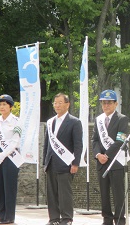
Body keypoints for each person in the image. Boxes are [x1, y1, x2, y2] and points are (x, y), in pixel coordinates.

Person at [43, 93, 83, 225]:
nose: (57, 105)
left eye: (60, 102)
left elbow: (78, 144)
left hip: (66, 163)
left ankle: (66, 219)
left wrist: (76, 163)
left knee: (65, 193)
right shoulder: (50, 122)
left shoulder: (74, 122)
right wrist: (45, 162)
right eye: (55, 102)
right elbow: (47, 144)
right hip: (51, 163)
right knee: (52, 193)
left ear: (67, 104)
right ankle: (53, 218)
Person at [92, 90, 129, 225]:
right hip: (101, 163)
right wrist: (98, 155)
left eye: (109, 103)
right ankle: (106, 219)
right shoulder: (99, 120)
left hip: (116, 162)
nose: (106, 105)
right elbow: (94, 140)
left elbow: (121, 140)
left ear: (115, 104)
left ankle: (120, 220)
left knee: (118, 194)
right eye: (103, 103)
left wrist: (106, 155)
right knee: (104, 194)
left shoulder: (122, 119)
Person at [0, 94, 23, 224]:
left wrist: (2, 155)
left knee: (9, 187)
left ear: (10, 106)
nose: (1, 107)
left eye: (4, 104)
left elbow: (15, 142)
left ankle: (9, 217)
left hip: (11, 156)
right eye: (0, 104)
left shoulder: (17, 121)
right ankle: (1, 216)